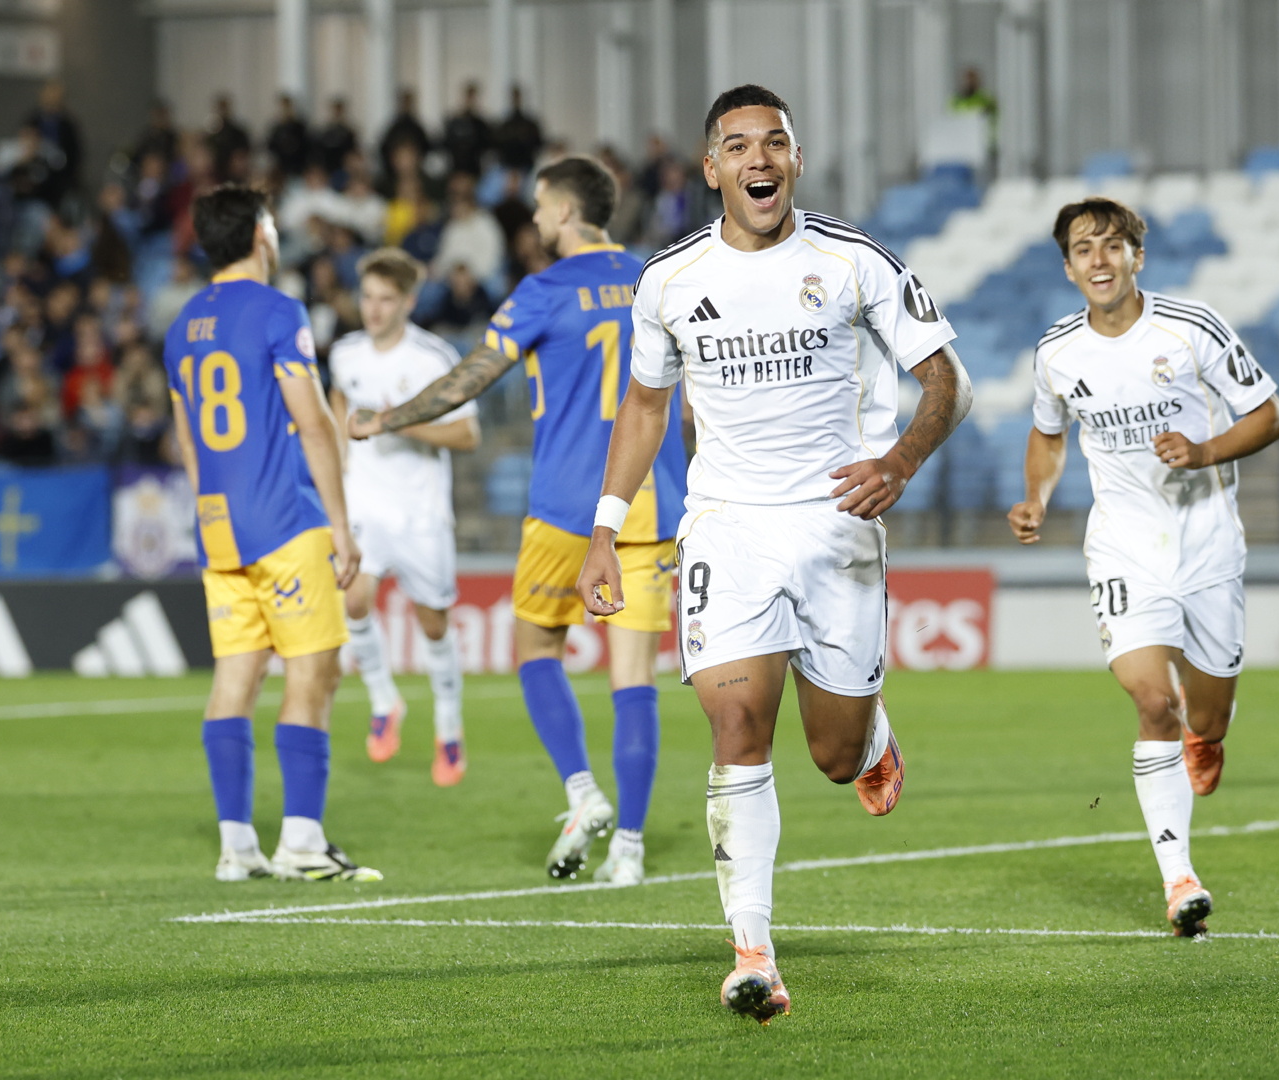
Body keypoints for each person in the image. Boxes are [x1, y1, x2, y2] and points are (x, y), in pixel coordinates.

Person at [576, 85, 970, 1023]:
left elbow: (945, 382)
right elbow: (645, 406)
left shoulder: (853, 261)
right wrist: (604, 528)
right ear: (711, 167)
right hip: (727, 527)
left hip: (835, 524)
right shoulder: (668, 278)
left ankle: (868, 738)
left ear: (795, 160)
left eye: (775, 143)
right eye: (739, 145)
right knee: (735, 731)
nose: (759, 158)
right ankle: (752, 954)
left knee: (830, 756)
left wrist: (899, 462)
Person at [348, 156, 689, 888]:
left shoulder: (544, 289)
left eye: (538, 206)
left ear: (564, 212)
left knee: (535, 648)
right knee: (634, 678)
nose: (533, 219)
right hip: (649, 502)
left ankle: (582, 791)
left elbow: (471, 375)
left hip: (567, 506)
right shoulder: (658, 277)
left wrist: (387, 418)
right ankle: (629, 849)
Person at [1006, 197, 1279, 938]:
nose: (1098, 260)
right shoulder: (1057, 351)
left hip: (1207, 542)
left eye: (1111, 245)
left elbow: (1270, 415)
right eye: (1083, 249)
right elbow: (1047, 434)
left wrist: (1203, 452)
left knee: (1207, 715)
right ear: (1067, 268)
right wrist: (1036, 497)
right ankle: (1179, 879)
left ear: (1137, 256)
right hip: (1123, 547)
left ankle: (1207, 736)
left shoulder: (1191, 328)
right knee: (1152, 700)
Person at [163, 184, 378, 883]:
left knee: (236, 677)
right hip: (283, 521)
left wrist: (211, 515)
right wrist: (340, 525)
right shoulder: (278, 311)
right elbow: (313, 422)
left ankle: (236, 847)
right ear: (261, 234)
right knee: (315, 671)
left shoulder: (180, 326)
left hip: (218, 527)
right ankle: (302, 842)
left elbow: (188, 443)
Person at [328, 248, 479, 786]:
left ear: (408, 302)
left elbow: (467, 434)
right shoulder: (345, 352)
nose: (372, 308)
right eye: (367, 296)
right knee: (353, 599)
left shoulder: (432, 359)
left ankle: (449, 726)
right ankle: (384, 700)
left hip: (420, 512)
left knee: (433, 624)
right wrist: (339, 467)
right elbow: (339, 405)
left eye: (385, 299)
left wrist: (394, 423)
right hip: (364, 504)